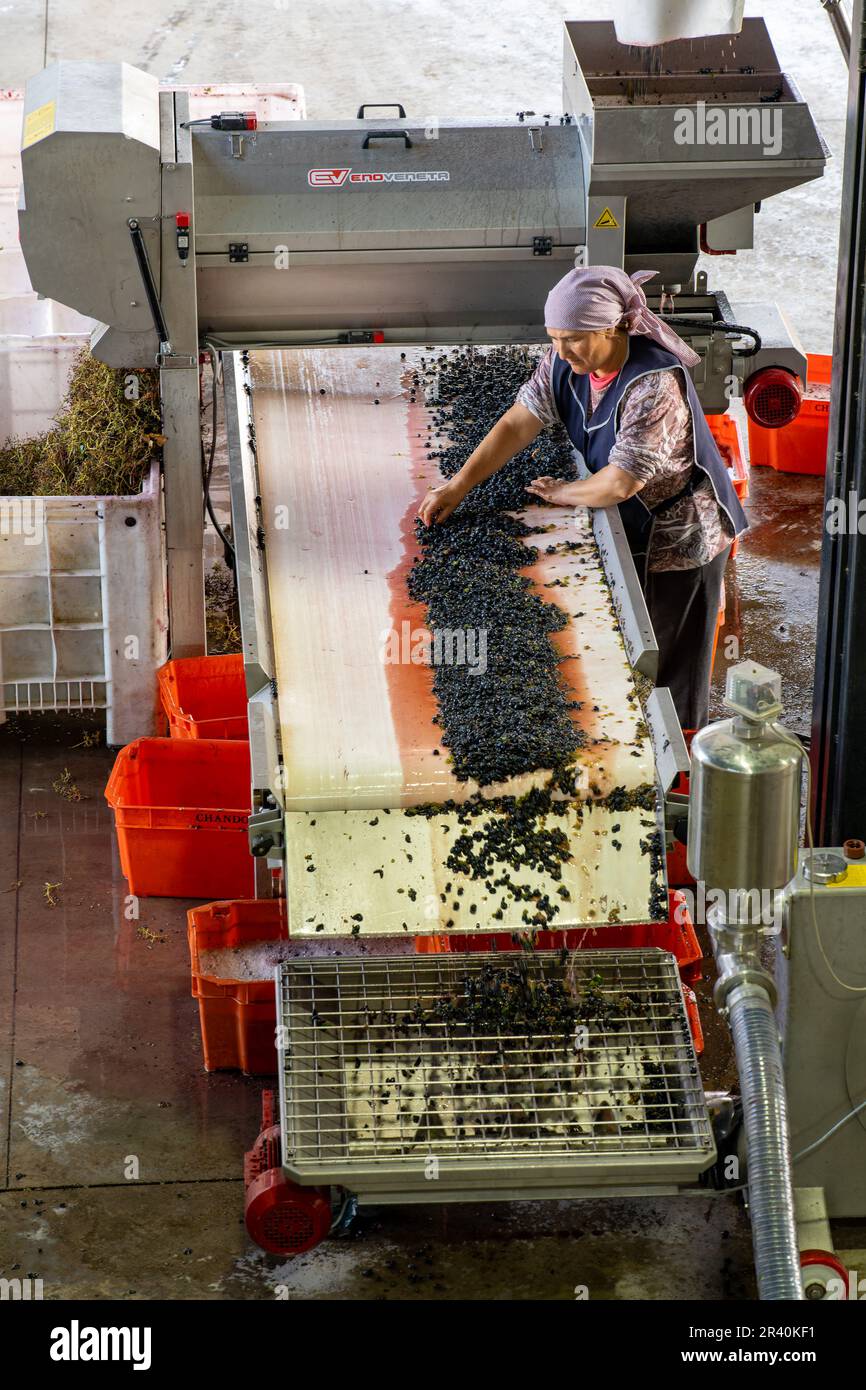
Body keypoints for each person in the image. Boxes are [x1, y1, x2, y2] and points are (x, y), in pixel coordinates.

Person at [417, 265, 748, 729]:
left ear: (612, 327)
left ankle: (680, 764)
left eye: (572, 338)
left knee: (670, 664)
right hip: (631, 518)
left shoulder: (652, 384)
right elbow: (519, 421)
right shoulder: (564, 362)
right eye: (554, 337)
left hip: (682, 538)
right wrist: (459, 484)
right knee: (627, 646)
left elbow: (620, 482)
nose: (561, 350)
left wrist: (564, 492)